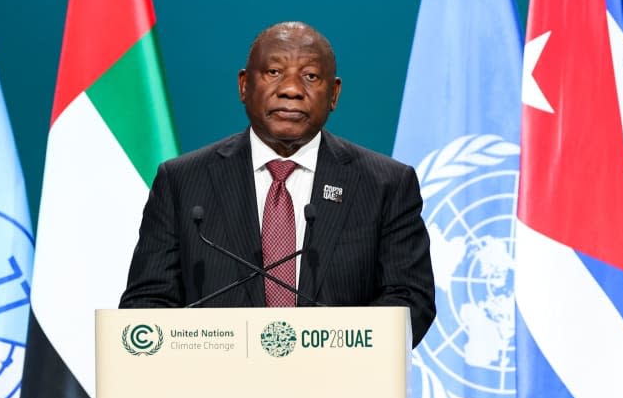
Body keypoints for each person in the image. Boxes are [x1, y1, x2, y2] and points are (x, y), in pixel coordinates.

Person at [119, 22, 435, 346]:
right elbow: (146, 305)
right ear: (244, 85)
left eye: (310, 76)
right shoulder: (182, 183)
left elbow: (410, 299)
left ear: (334, 94)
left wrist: (333, 348)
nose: (291, 89)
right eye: (273, 72)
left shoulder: (385, 185)